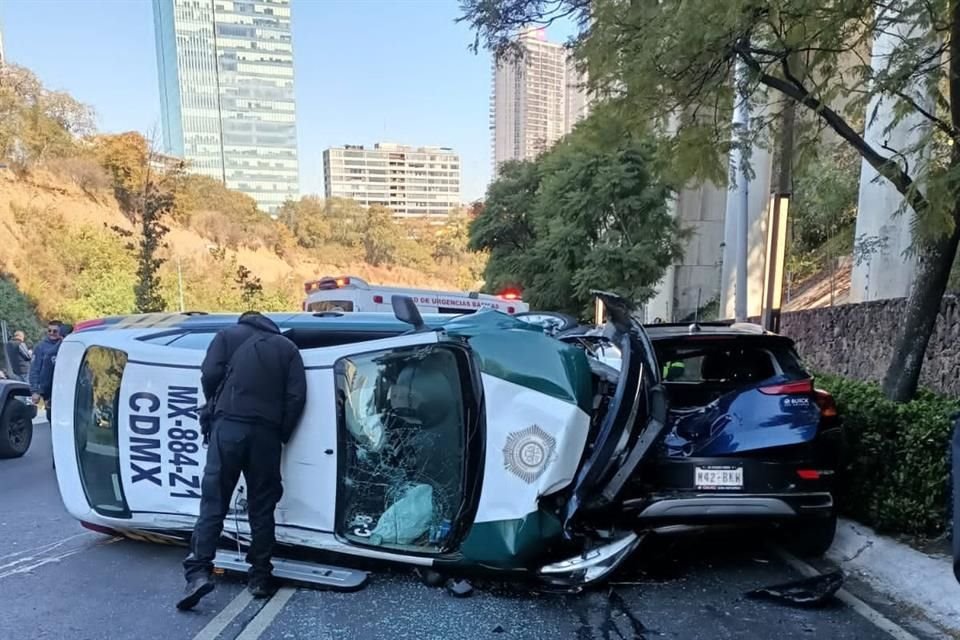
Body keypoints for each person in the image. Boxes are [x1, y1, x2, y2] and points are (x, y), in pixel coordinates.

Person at [177, 311, 307, 611]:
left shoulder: (226, 336)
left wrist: (215, 403)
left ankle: (198, 573)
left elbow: (209, 373)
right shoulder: (287, 348)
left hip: (227, 428)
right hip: (266, 434)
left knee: (214, 502)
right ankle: (260, 576)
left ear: (245, 322)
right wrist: (281, 433)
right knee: (262, 506)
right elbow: (296, 396)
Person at [29, 321, 63, 423]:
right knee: (52, 417)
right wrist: (35, 391)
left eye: (55, 331)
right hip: (48, 390)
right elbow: (34, 369)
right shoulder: (40, 347)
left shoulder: (67, 344)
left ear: (61, 331)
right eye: (49, 331)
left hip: (64, 388)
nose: (51, 333)